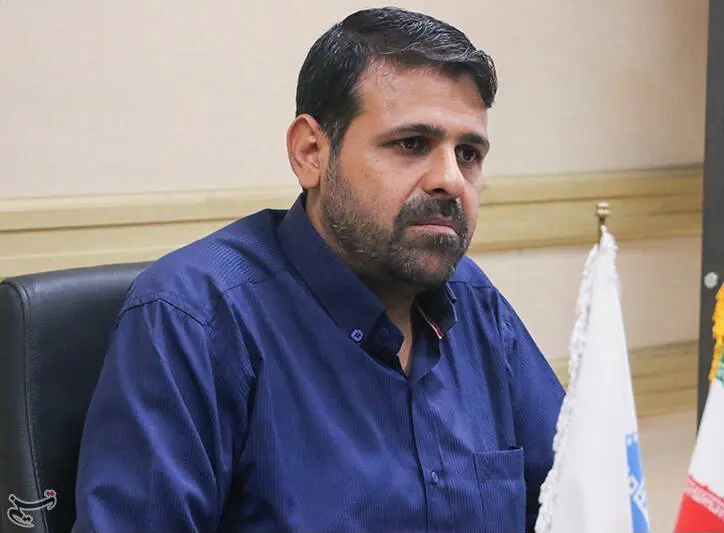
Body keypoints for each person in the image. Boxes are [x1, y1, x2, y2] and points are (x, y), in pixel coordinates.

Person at [72, 6, 565, 533]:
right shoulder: (194, 317)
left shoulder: (475, 302)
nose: (450, 180)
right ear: (310, 152)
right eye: (411, 144)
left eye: (468, 153)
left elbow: (580, 501)